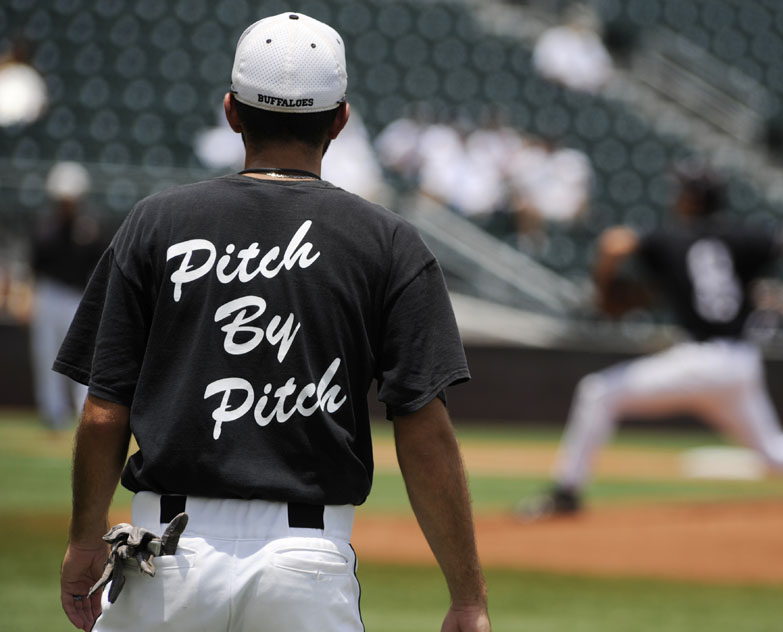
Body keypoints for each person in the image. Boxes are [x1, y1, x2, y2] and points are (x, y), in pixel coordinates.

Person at [56, 13, 490, 632]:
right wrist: (467, 598)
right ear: (340, 120)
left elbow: (104, 412)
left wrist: (82, 542)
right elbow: (424, 430)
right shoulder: (390, 243)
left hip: (164, 559)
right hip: (308, 564)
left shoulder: (155, 223)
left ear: (231, 111)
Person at [517, 135, 783, 520]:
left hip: (700, 360)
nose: (676, 195)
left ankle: (566, 493)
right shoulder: (742, 236)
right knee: (773, 452)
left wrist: (604, 290)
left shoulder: (669, 237)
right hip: (739, 364)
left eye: (681, 189)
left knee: (597, 393)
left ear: (691, 198)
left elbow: (613, 244)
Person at [29, 161, 105, 433]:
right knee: (46, 354)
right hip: (49, 293)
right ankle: (53, 413)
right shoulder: (46, 227)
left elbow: (96, 264)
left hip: (77, 296)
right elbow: (37, 263)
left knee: (81, 354)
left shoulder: (89, 229)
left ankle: (83, 411)